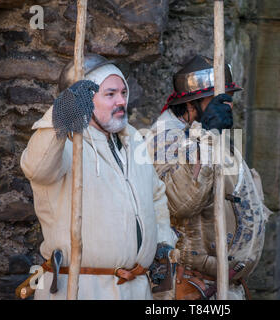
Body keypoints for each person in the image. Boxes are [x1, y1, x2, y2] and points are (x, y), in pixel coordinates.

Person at [19, 54, 177, 300]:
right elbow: (37, 169)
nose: (121, 101)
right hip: (81, 288)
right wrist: (62, 113)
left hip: (136, 288)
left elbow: (155, 195)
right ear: (84, 99)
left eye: (123, 93)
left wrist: (163, 241)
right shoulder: (65, 141)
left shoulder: (133, 138)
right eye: (110, 94)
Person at [147, 55, 272, 300]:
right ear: (192, 104)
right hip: (190, 287)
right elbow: (182, 201)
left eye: (229, 99)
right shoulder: (163, 138)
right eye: (218, 100)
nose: (228, 106)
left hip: (221, 289)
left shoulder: (209, 137)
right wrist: (207, 133)